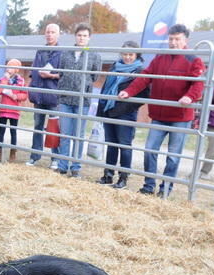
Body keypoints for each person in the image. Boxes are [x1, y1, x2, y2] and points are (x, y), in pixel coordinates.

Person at [118, 23, 205, 197]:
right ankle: (149, 185)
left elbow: (199, 83)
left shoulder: (193, 59)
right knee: (150, 149)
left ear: (185, 40)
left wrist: (190, 97)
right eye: (171, 39)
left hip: (180, 116)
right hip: (159, 115)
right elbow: (146, 77)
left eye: (177, 39)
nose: (173, 43)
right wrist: (129, 91)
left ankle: (165, 189)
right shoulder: (161, 57)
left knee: (173, 155)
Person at [96, 41, 148, 189]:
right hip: (109, 110)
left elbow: (143, 95)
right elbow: (106, 88)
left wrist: (124, 108)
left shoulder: (139, 71)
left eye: (131, 54)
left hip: (126, 113)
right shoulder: (115, 67)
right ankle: (108, 175)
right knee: (111, 144)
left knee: (124, 145)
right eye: (125, 54)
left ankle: (123, 178)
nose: (127, 57)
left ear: (137, 55)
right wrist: (101, 109)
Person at [55, 23, 101, 178]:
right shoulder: (66, 53)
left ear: (89, 38)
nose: (82, 38)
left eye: (85, 36)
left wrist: (84, 85)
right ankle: (63, 166)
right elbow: (61, 72)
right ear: (75, 36)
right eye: (79, 35)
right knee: (65, 133)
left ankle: (75, 167)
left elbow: (95, 76)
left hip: (83, 100)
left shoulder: (94, 55)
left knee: (78, 134)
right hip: (66, 99)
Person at [26, 23, 62, 168]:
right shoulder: (40, 51)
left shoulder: (62, 52)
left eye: (53, 32)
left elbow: (64, 74)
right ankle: (35, 156)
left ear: (58, 34)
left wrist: (51, 75)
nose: (49, 34)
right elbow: (34, 70)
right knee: (38, 126)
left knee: (54, 127)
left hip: (53, 95)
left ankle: (55, 158)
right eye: (47, 32)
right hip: (39, 94)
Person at [0, 59, 28, 163]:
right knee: (1, 131)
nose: (9, 69)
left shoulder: (21, 81)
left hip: (14, 110)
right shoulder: (3, 79)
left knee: (13, 132)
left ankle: (13, 153)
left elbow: (24, 95)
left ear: (16, 70)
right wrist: (5, 79)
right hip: (3, 109)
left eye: (12, 67)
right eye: (8, 67)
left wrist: (16, 96)